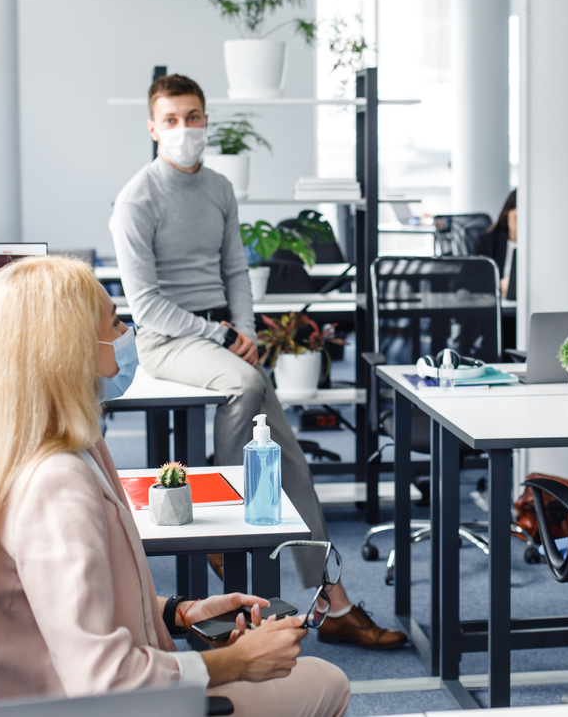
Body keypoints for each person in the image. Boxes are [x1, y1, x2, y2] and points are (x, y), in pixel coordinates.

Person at [0, 256, 349, 716]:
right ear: (69, 349)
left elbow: (63, 599)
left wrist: (178, 611)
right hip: (102, 704)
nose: (127, 333)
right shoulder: (56, 485)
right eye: (115, 323)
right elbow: (102, 680)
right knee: (327, 681)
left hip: (52, 688)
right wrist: (236, 662)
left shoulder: (11, 446)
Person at [109, 74, 406, 650]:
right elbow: (145, 304)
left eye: (193, 117)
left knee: (288, 456)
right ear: (152, 128)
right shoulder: (136, 199)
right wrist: (220, 335)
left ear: (205, 120)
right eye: (171, 120)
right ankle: (228, 519)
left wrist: (243, 330)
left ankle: (332, 598)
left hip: (222, 334)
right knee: (248, 386)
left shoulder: (219, 187)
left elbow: (236, 272)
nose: (184, 129)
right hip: (167, 338)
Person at [475, 190, 516, 299]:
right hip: (496, 303)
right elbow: (473, 281)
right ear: (507, 213)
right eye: (517, 218)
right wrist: (497, 284)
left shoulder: (539, 246)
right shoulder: (487, 242)